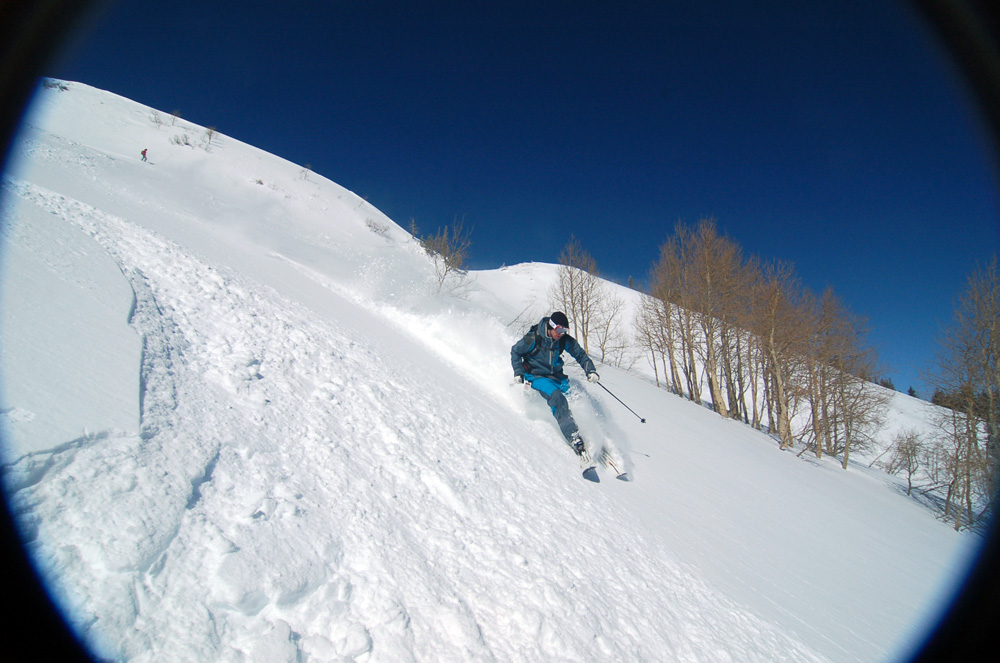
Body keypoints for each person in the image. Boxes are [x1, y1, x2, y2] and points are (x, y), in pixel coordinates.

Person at [511, 311, 600, 457]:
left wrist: (590, 370)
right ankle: (574, 437)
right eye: (559, 330)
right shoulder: (534, 337)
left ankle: (591, 430)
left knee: (576, 397)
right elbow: (515, 351)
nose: (561, 334)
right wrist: (518, 372)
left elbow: (580, 355)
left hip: (556, 376)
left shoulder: (563, 340)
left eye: (565, 331)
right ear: (552, 326)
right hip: (537, 375)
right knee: (557, 398)